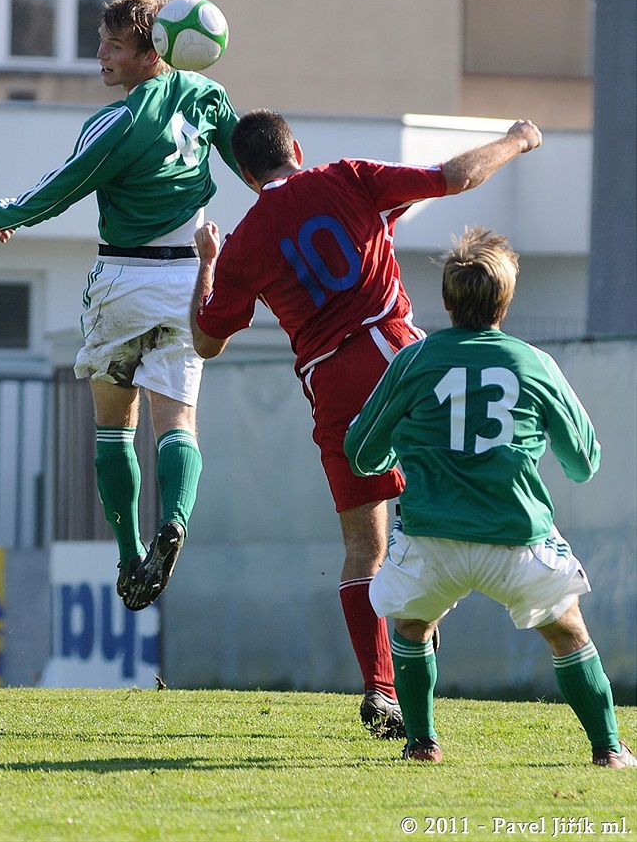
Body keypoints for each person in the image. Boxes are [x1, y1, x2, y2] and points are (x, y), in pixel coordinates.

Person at [189, 109, 542, 736]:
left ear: (245, 174)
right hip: (400, 360)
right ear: (296, 147)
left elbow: (207, 340)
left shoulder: (244, 241)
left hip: (332, 382)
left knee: (363, 548)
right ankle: (436, 646)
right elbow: (453, 177)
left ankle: (383, 688)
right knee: (443, 517)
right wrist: (517, 140)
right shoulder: (347, 177)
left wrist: (208, 262)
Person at [0, 0, 244, 612]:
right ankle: (175, 521)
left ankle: (129, 555)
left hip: (123, 282)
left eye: (113, 46)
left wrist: (9, 213)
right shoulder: (206, 97)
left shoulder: (119, 121)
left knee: (112, 424)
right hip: (188, 281)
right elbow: (249, 160)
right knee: (176, 423)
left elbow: (69, 181)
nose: (99, 55)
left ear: (152, 51)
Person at [344, 226, 636, 766]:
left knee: (410, 625)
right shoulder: (533, 362)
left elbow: (361, 452)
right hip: (516, 540)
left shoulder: (414, 360)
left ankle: (422, 744)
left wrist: (399, 456)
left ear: (447, 300)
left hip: (434, 540)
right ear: (506, 299)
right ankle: (609, 750)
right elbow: (584, 460)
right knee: (568, 630)